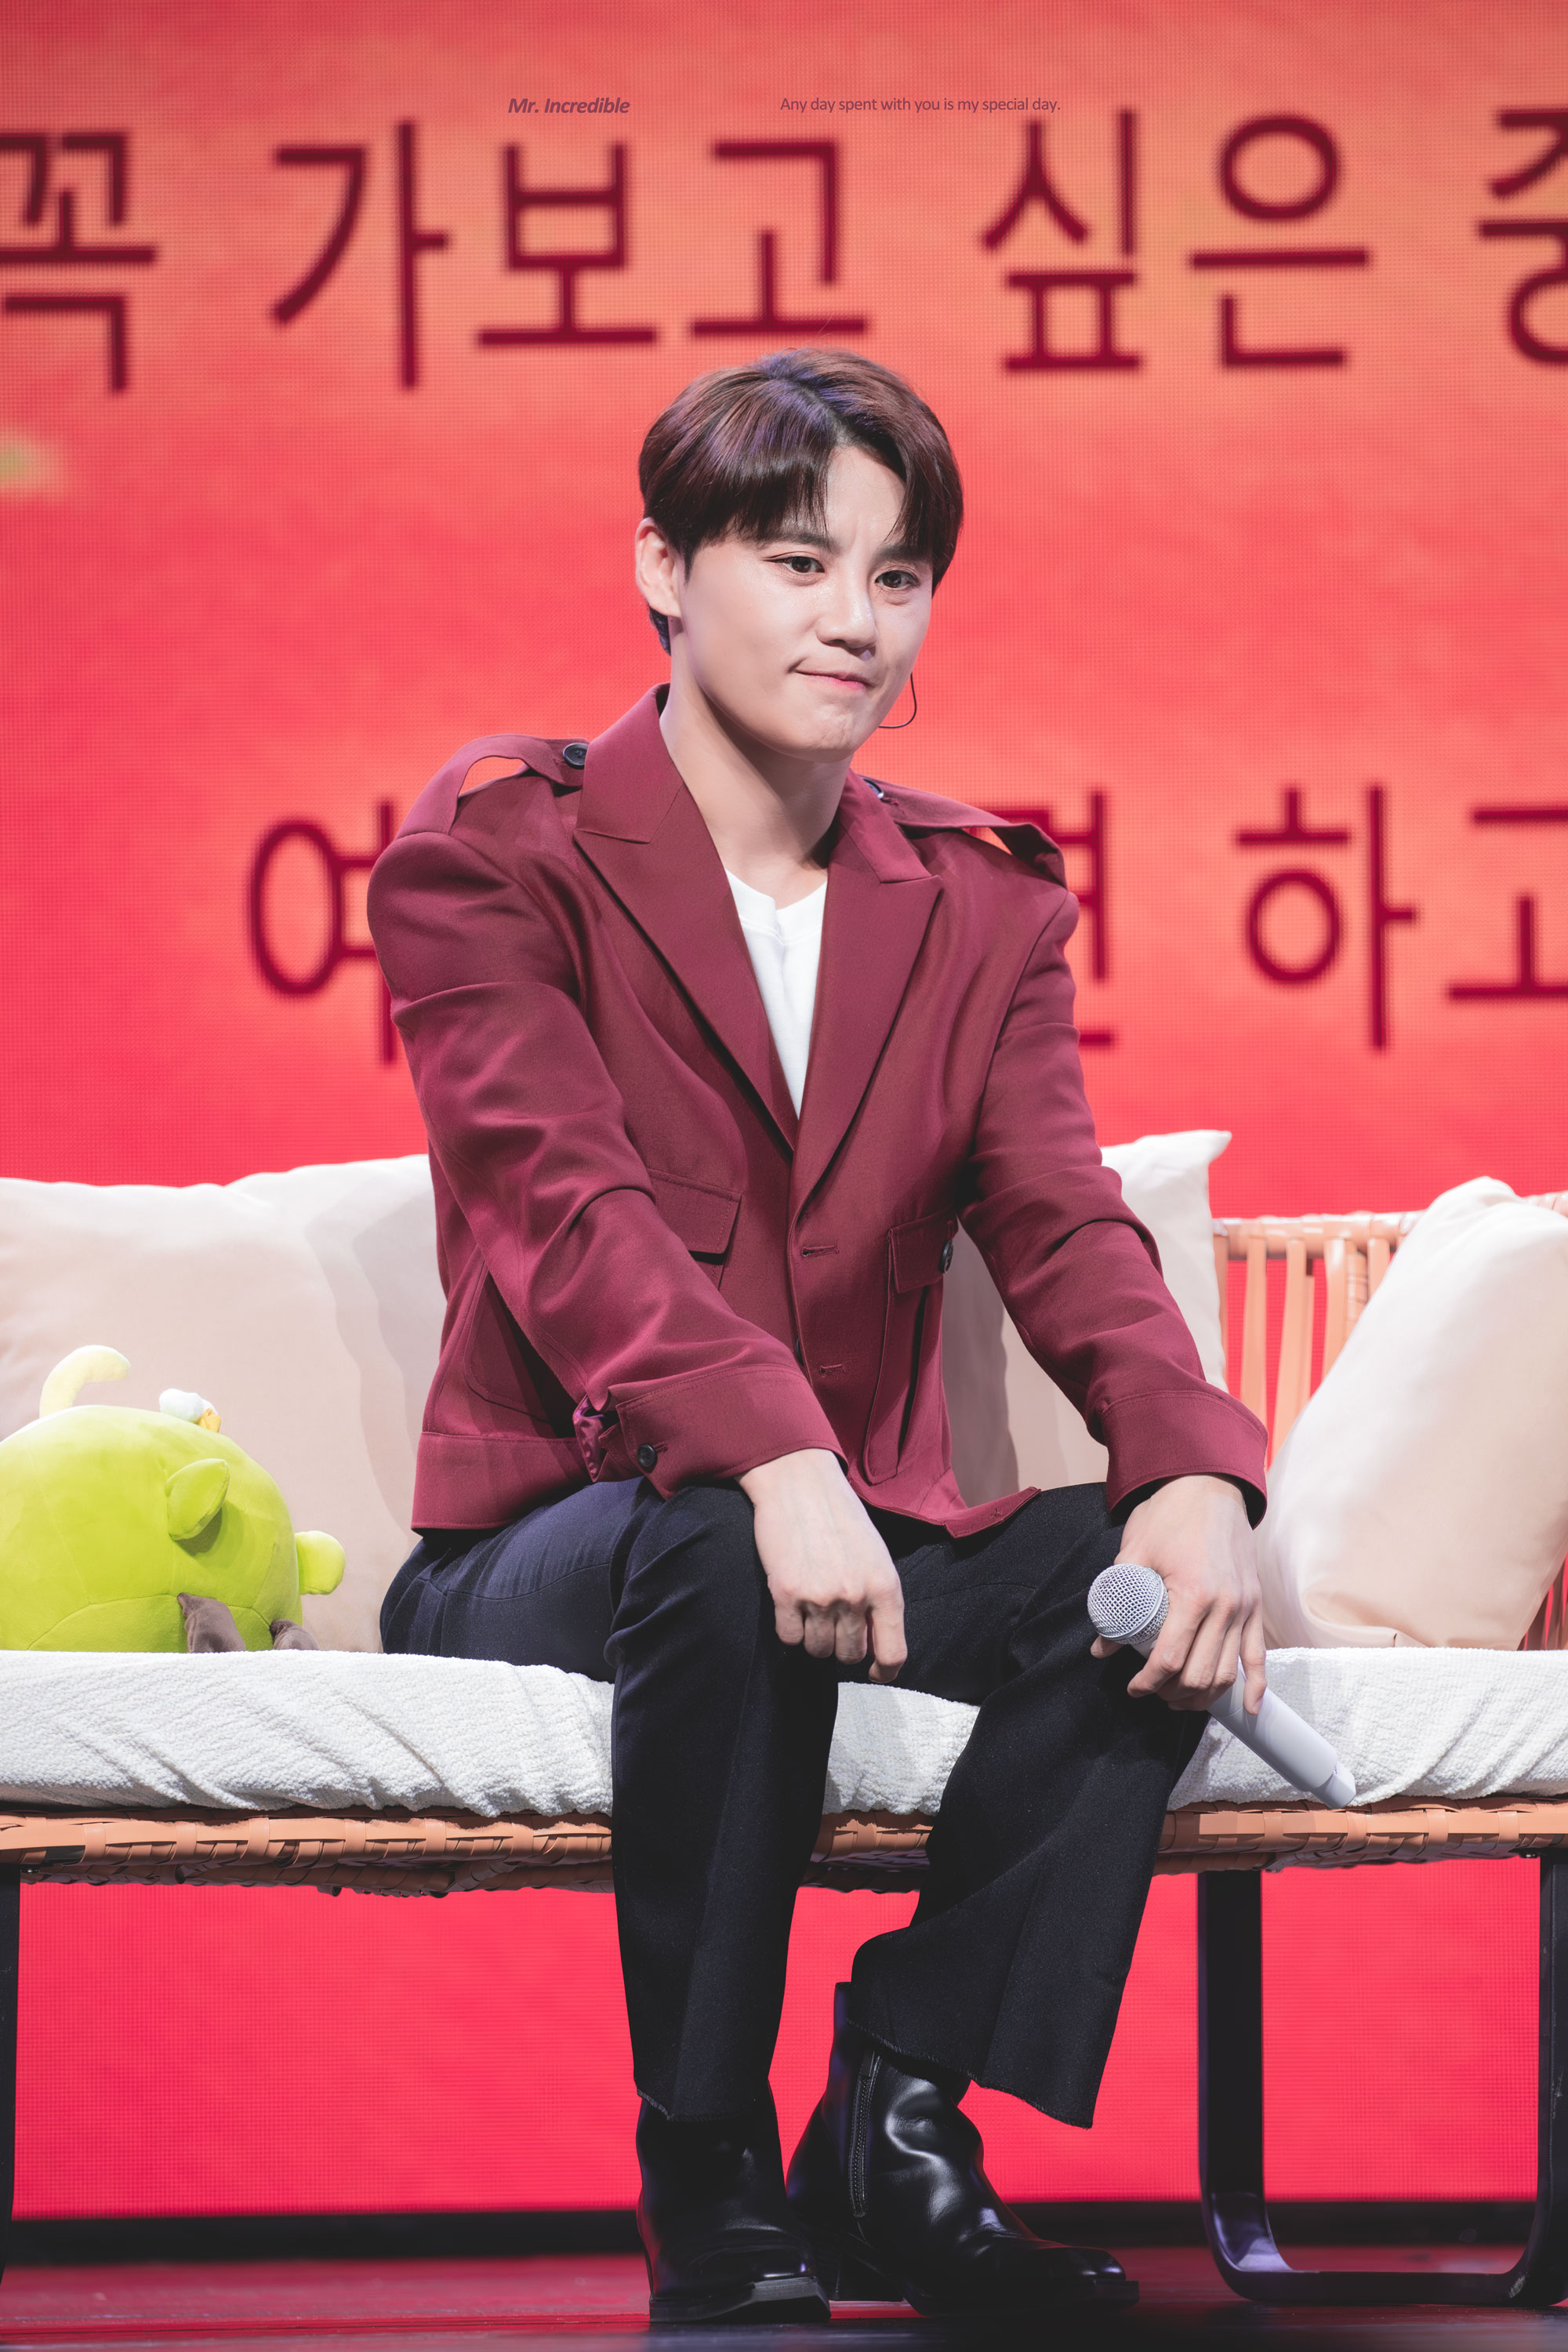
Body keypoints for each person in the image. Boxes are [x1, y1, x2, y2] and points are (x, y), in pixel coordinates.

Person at [365, 347, 1269, 2328]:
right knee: (710, 1533)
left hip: (847, 1532)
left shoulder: (977, 906)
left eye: (897, 574)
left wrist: (1190, 1471)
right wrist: (772, 1451)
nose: (855, 619)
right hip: (559, 1544)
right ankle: (707, 2159)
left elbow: (1060, 1219)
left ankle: (898, 2110)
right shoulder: (496, 855)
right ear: (663, 567)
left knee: (1130, 1593)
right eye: (797, 561)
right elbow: (565, 1212)